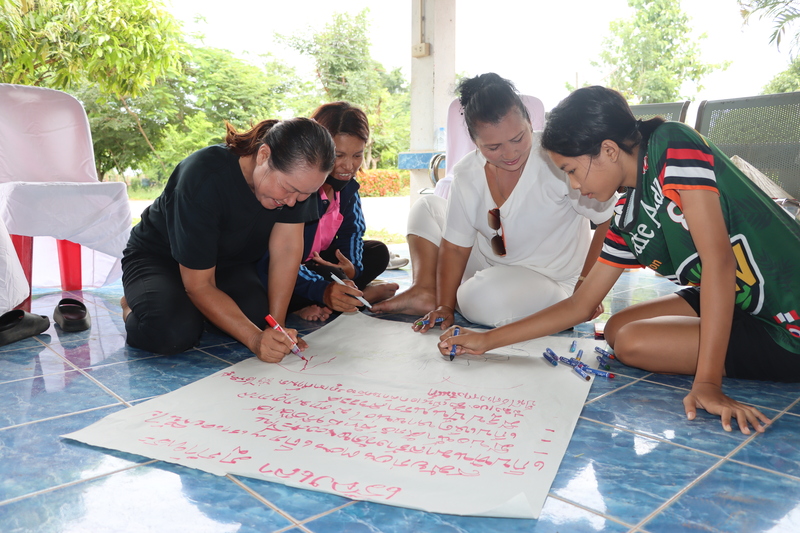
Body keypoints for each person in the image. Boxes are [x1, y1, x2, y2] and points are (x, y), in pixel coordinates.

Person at [440, 85, 800, 435]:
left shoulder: (672, 144)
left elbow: (719, 262)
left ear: (608, 151)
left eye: (571, 170)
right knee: (615, 329)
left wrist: (707, 383)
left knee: (632, 343)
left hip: (787, 320)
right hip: (743, 297)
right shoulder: (628, 212)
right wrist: (486, 341)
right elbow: (581, 305)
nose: (575, 187)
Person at [372, 73, 616, 330]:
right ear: (475, 142)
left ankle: (457, 293)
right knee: (427, 208)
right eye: (493, 147)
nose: (510, 154)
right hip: (489, 265)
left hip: (549, 280)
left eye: (518, 138)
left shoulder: (556, 157)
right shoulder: (467, 172)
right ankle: (426, 293)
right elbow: (455, 248)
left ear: (529, 123)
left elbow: (609, 220)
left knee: (481, 300)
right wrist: (445, 306)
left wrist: (585, 287)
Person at [120, 118, 335, 362]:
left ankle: (193, 308)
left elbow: (286, 252)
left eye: (305, 194)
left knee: (258, 320)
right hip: (158, 259)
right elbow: (199, 284)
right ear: (264, 155)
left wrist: (278, 329)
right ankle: (132, 306)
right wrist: (255, 340)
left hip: (227, 264)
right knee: (173, 333)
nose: (293, 202)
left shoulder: (294, 186)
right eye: (289, 188)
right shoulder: (204, 176)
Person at [258, 102, 398, 322]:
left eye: (357, 156)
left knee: (377, 252)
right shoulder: (299, 189)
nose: (348, 166)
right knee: (309, 280)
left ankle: (348, 294)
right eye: (338, 155)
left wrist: (351, 267)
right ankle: (352, 297)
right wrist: (325, 286)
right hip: (288, 265)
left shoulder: (348, 189)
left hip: (317, 262)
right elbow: (279, 256)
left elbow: (352, 231)